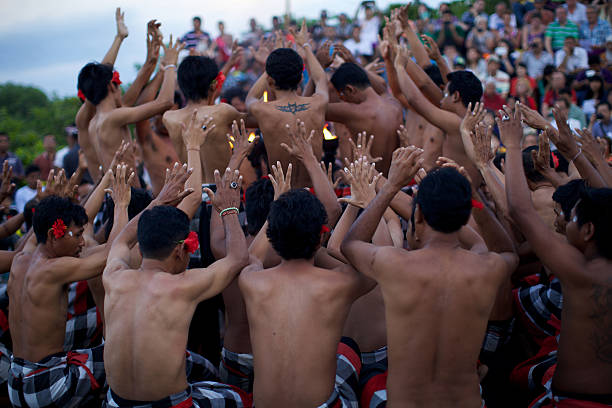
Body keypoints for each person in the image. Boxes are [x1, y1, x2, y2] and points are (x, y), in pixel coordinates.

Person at [341, 149, 518, 407]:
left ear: (420, 215)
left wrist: (390, 186)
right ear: (466, 211)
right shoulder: (485, 267)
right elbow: (506, 251)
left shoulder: (395, 264)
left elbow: (351, 243)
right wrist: (472, 198)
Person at [103, 155, 250, 406]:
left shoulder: (114, 276)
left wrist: (158, 201)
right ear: (180, 250)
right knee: (238, 398)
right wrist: (229, 208)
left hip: (115, 402)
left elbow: (121, 241)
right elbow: (237, 258)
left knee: (200, 368)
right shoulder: (184, 286)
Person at [502, 103, 612, 407]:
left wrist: (511, 146)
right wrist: (576, 153)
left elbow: (519, 210)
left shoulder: (580, 271)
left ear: (589, 231)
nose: (563, 220)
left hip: (573, 400)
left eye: (572, 216)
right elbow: (607, 200)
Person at [240, 178, 374, 406]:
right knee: (347, 350)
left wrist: (275, 208)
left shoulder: (251, 281)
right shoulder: (339, 284)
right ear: (320, 238)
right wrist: (357, 205)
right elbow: (371, 265)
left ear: (272, 234)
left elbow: (251, 256)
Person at [7, 169, 129, 407]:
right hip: (45, 385)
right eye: (77, 236)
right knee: (125, 350)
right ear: (54, 235)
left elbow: (72, 225)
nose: (82, 242)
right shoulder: (54, 269)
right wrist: (122, 205)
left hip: (16, 382)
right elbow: (112, 252)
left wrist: (107, 173)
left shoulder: (21, 258)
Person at [77, 23, 181, 174]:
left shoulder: (96, 122)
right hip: (127, 195)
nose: (122, 91)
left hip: (115, 194)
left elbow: (135, 93)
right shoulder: (113, 117)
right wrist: (171, 65)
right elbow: (166, 102)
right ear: (111, 87)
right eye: (119, 85)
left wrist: (153, 63)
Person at [246, 22, 329, 188]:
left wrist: (272, 63)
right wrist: (305, 45)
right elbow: (320, 79)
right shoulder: (318, 103)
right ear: (300, 79)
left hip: (282, 194)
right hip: (316, 193)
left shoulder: (263, 110)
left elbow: (251, 97)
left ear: (270, 80)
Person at [163, 54, 243, 184]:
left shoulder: (169, 118)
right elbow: (257, 117)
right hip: (223, 194)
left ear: (181, 85)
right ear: (213, 86)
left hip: (190, 194)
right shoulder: (222, 112)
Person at [327, 62, 403, 176]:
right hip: (393, 182)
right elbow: (382, 89)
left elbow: (314, 108)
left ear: (350, 90)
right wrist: (355, 63)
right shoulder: (394, 104)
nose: (343, 101)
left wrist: (317, 66)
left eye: (341, 96)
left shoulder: (354, 112)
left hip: (366, 187)